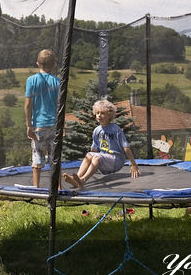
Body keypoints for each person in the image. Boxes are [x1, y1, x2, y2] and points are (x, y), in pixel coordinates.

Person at [63, 99, 140, 189]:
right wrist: (93, 165)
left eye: (102, 113)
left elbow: (126, 147)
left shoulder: (115, 129)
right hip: (104, 159)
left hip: (116, 160)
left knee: (96, 157)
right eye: (97, 113)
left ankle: (82, 180)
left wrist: (133, 164)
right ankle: (77, 179)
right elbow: (94, 150)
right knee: (89, 155)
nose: (99, 115)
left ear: (109, 115)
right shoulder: (97, 130)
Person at [24, 49, 61, 187]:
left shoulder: (31, 80)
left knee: (37, 156)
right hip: (54, 125)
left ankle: (36, 187)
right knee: (55, 158)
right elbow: (61, 106)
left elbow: (28, 104)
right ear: (54, 65)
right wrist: (62, 125)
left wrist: (28, 125)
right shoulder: (58, 82)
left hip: (38, 125)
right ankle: (59, 188)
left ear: (38, 63)